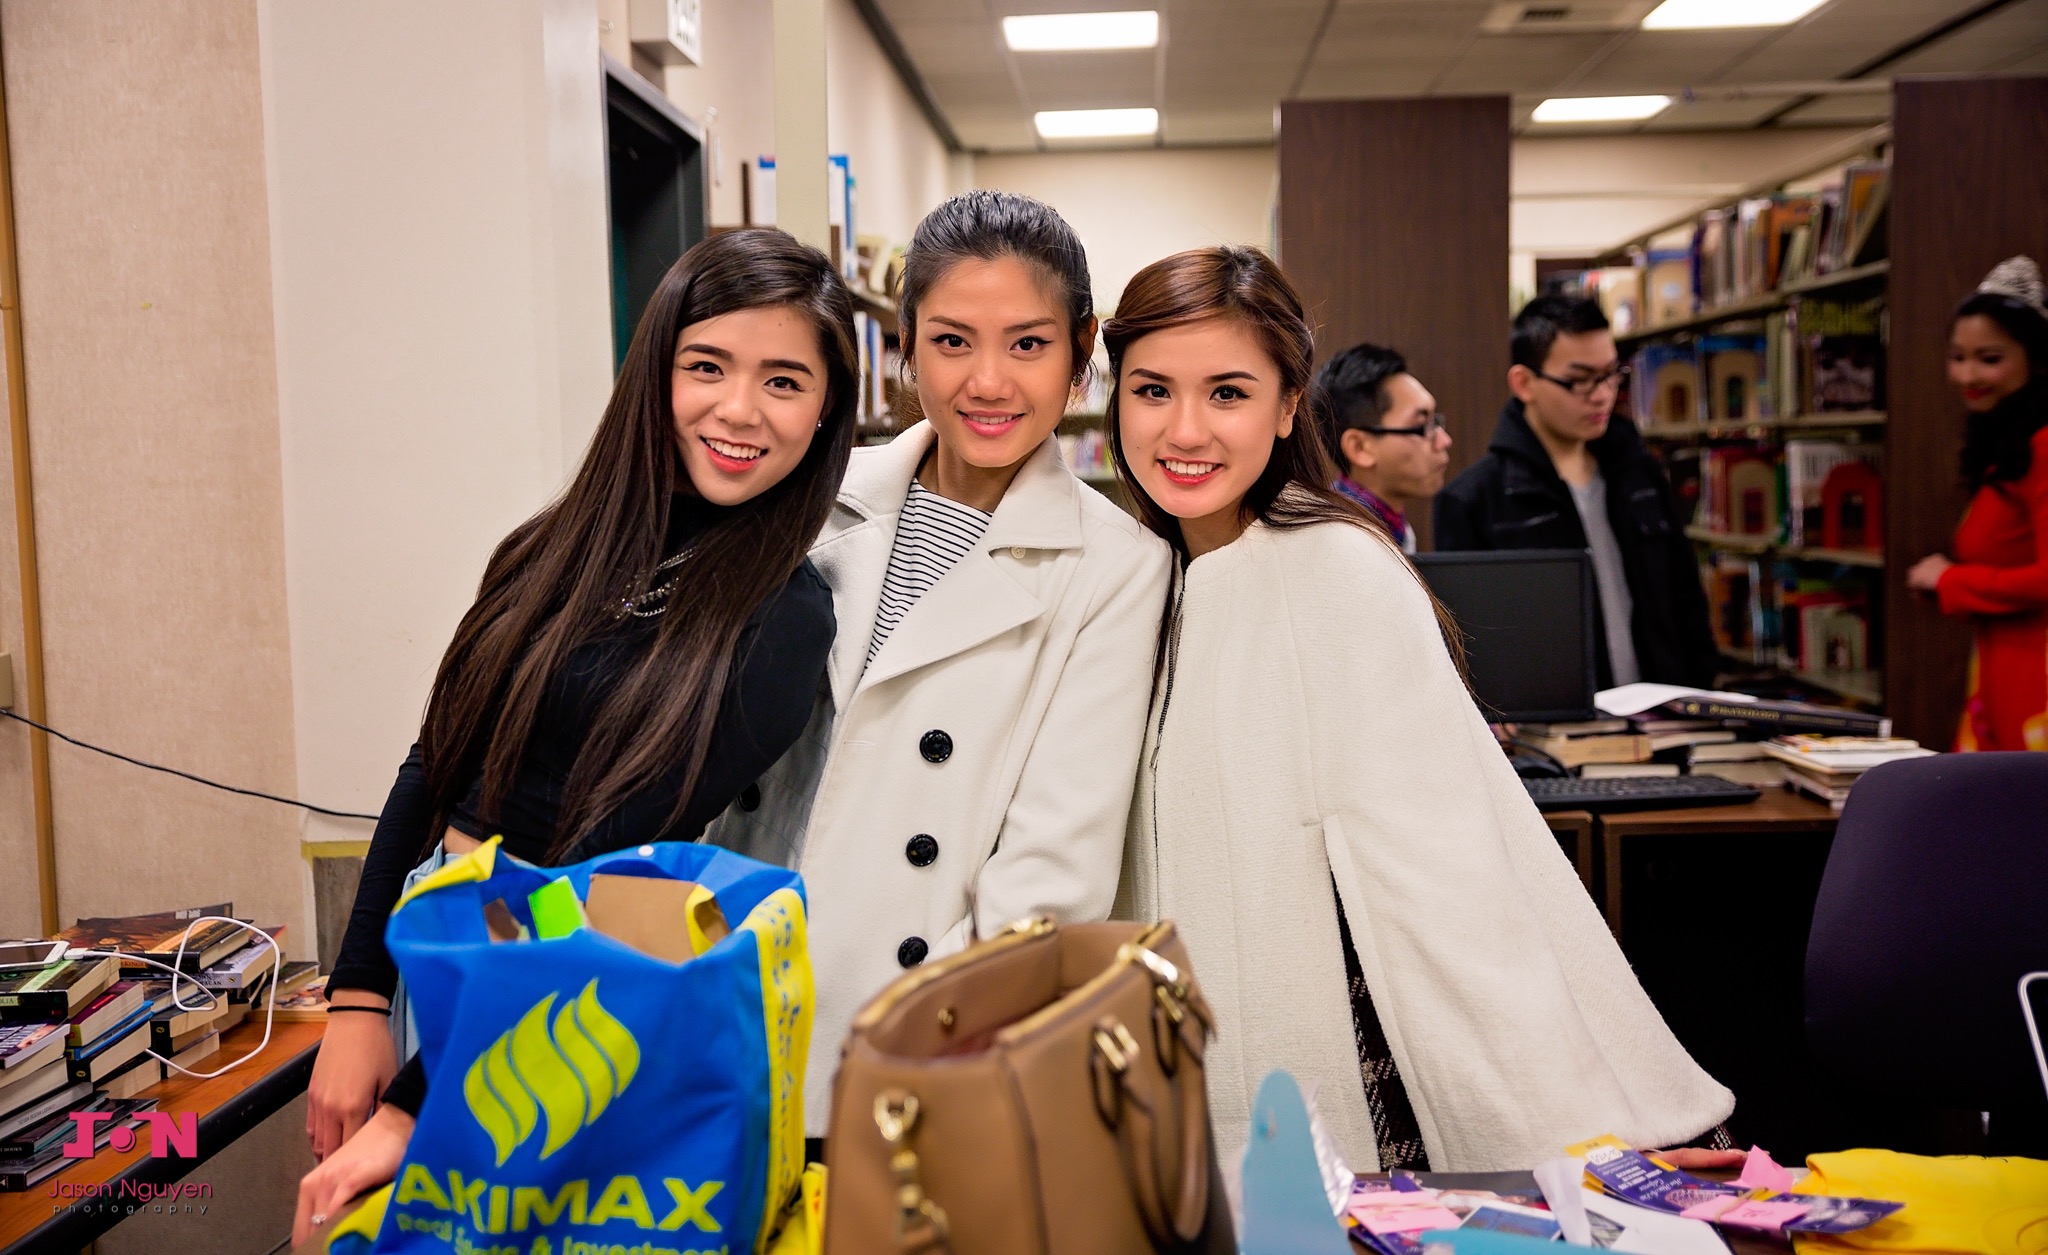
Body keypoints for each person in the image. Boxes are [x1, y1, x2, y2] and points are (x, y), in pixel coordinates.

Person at [1109, 246, 1732, 1173]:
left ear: (1288, 408)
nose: (1185, 429)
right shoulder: (1136, 575)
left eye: (1229, 393)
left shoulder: (1338, 572)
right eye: (1152, 391)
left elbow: (1451, 881)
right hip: (1193, 1065)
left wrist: (1554, 1140)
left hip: (1362, 1072)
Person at [293, 228, 857, 1241]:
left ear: (823, 413)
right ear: (656, 373)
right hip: (433, 948)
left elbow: (599, 876)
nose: (738, 410)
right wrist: (358, 1001)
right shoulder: (552, 547)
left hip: (547, 993)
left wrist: (415, 1102)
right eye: (707, 367)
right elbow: (435, 763)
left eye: (782, 380)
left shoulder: (781, 618)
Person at [704, 190, 1172, 1139]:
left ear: (1082, 351)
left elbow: (1053, 870)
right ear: (906, 345)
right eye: (953, 340)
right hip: (718, 992)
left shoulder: (1118, 565)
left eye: (1029, 345)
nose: (988, 381)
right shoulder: (808, 495)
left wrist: (914, 1047)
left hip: (908, 1044)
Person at [1436, 295, 1718, 689]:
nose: (1602, 394)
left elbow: (1686, 599)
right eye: (1580, 380)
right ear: (1524, 383)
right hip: (1553, 734)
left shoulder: (1640, 473)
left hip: (1664, 718)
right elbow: (1469, 644)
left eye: (1610, 374)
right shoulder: (1475, 500)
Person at [1905, 256, 2048, 751]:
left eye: (1990, 359)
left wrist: (1952, 580)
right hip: (2002, 673)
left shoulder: (2045, 446)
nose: (1968, 375)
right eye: (1957, 356)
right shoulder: (2009, 443)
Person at [1316, 342, 1451, 553]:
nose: (1444, 440)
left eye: (1436, 422)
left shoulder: (1395, 528)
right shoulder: (1335, 542)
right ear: (1360, 448)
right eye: (1421, 426)